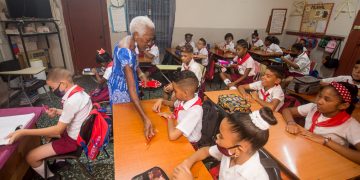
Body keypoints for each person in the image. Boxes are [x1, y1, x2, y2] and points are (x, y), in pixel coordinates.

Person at [6, 68, 92, 179]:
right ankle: (61, 162)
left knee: (30, 157)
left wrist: (23, 132)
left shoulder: (71, 101)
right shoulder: (81, 92)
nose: (52, 91)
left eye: (52, 88)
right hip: (78, 135)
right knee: (48, 134)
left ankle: (51, 177)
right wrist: (58, 111)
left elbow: (57, 130)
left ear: (63, 84)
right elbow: (75, 113)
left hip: (73, 141)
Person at [173, 107, 277, 180]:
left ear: (239, 149)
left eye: (221, 136)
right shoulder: (230, 151)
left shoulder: (253, 177)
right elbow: (205, 151)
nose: (217, 137)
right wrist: (187, 163)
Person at [283, 82, 360, 164]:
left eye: (327, 99)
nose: (319, 101)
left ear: (343, 106)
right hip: (306, 152)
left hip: (329, 163)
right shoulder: (313, 108)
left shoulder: (350, 125)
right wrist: (291, 122)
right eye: (320, 96)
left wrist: (326, 141)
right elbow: (287, 110)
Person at [108, 16, 155, 140]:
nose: (149, 43)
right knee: (125, 119)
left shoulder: (132, 42)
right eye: (148, 40)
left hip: (128, 82)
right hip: (121, 87)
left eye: (151, 40)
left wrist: (140, 74)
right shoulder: (126, 50)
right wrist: (146, 119)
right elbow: (132, 89)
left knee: (133, 113)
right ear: (136, 35)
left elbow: (134, 65)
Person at [157, 71, 203, 145]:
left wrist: (169, 118)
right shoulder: (186, 99)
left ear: (185, 93)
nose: (174, 93)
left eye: (175, 91)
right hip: (178, 131)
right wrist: (162, 101)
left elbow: (172, 136)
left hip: (189, 144)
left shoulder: (194, 111)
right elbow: (173, 104)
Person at [153, 45, 203, 112]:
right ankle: (167, 109)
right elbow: (181, 78)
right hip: (182, 85)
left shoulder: (195, 67)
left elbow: (194, 85)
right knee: (166, 88)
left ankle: (172, 110)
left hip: (191, 90)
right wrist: (172, 84)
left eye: (185, 56)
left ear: (192, 55)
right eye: (181, 56)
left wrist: (174, 87)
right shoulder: (184, 64)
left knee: (174, 95)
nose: (182, 58)